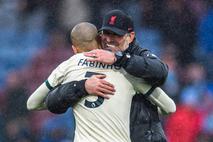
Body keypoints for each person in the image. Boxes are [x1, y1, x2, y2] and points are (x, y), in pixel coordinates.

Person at [45, 10, 172, 142]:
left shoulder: (139, 54)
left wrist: (120, 59)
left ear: (130, 36)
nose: (109, 39)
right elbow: (52, 103)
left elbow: (161, 72)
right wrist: (82, 86)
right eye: (106, 33)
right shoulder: (92, 60)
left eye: (116, 34)